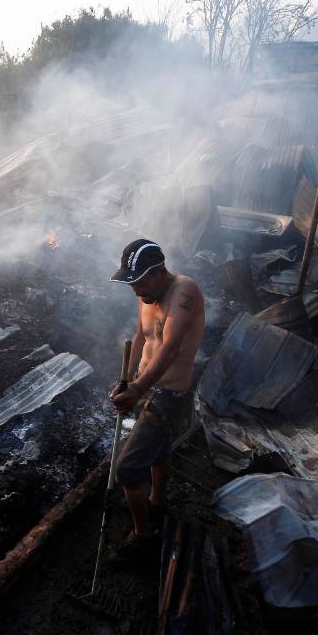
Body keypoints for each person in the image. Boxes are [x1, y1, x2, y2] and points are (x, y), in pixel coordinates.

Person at [108, 238, 205, 560]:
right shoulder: (146, 294)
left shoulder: (183, 292)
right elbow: (142, 335)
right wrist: (127, 379)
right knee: (160, 450)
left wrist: (137, 389)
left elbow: (170, 346)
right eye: (130, 282)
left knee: (128, 468)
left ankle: (143, 535)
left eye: (139, 281)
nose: (135, 290)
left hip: (170, 394)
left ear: (160, 271)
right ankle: (157, 503)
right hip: (149, 385)